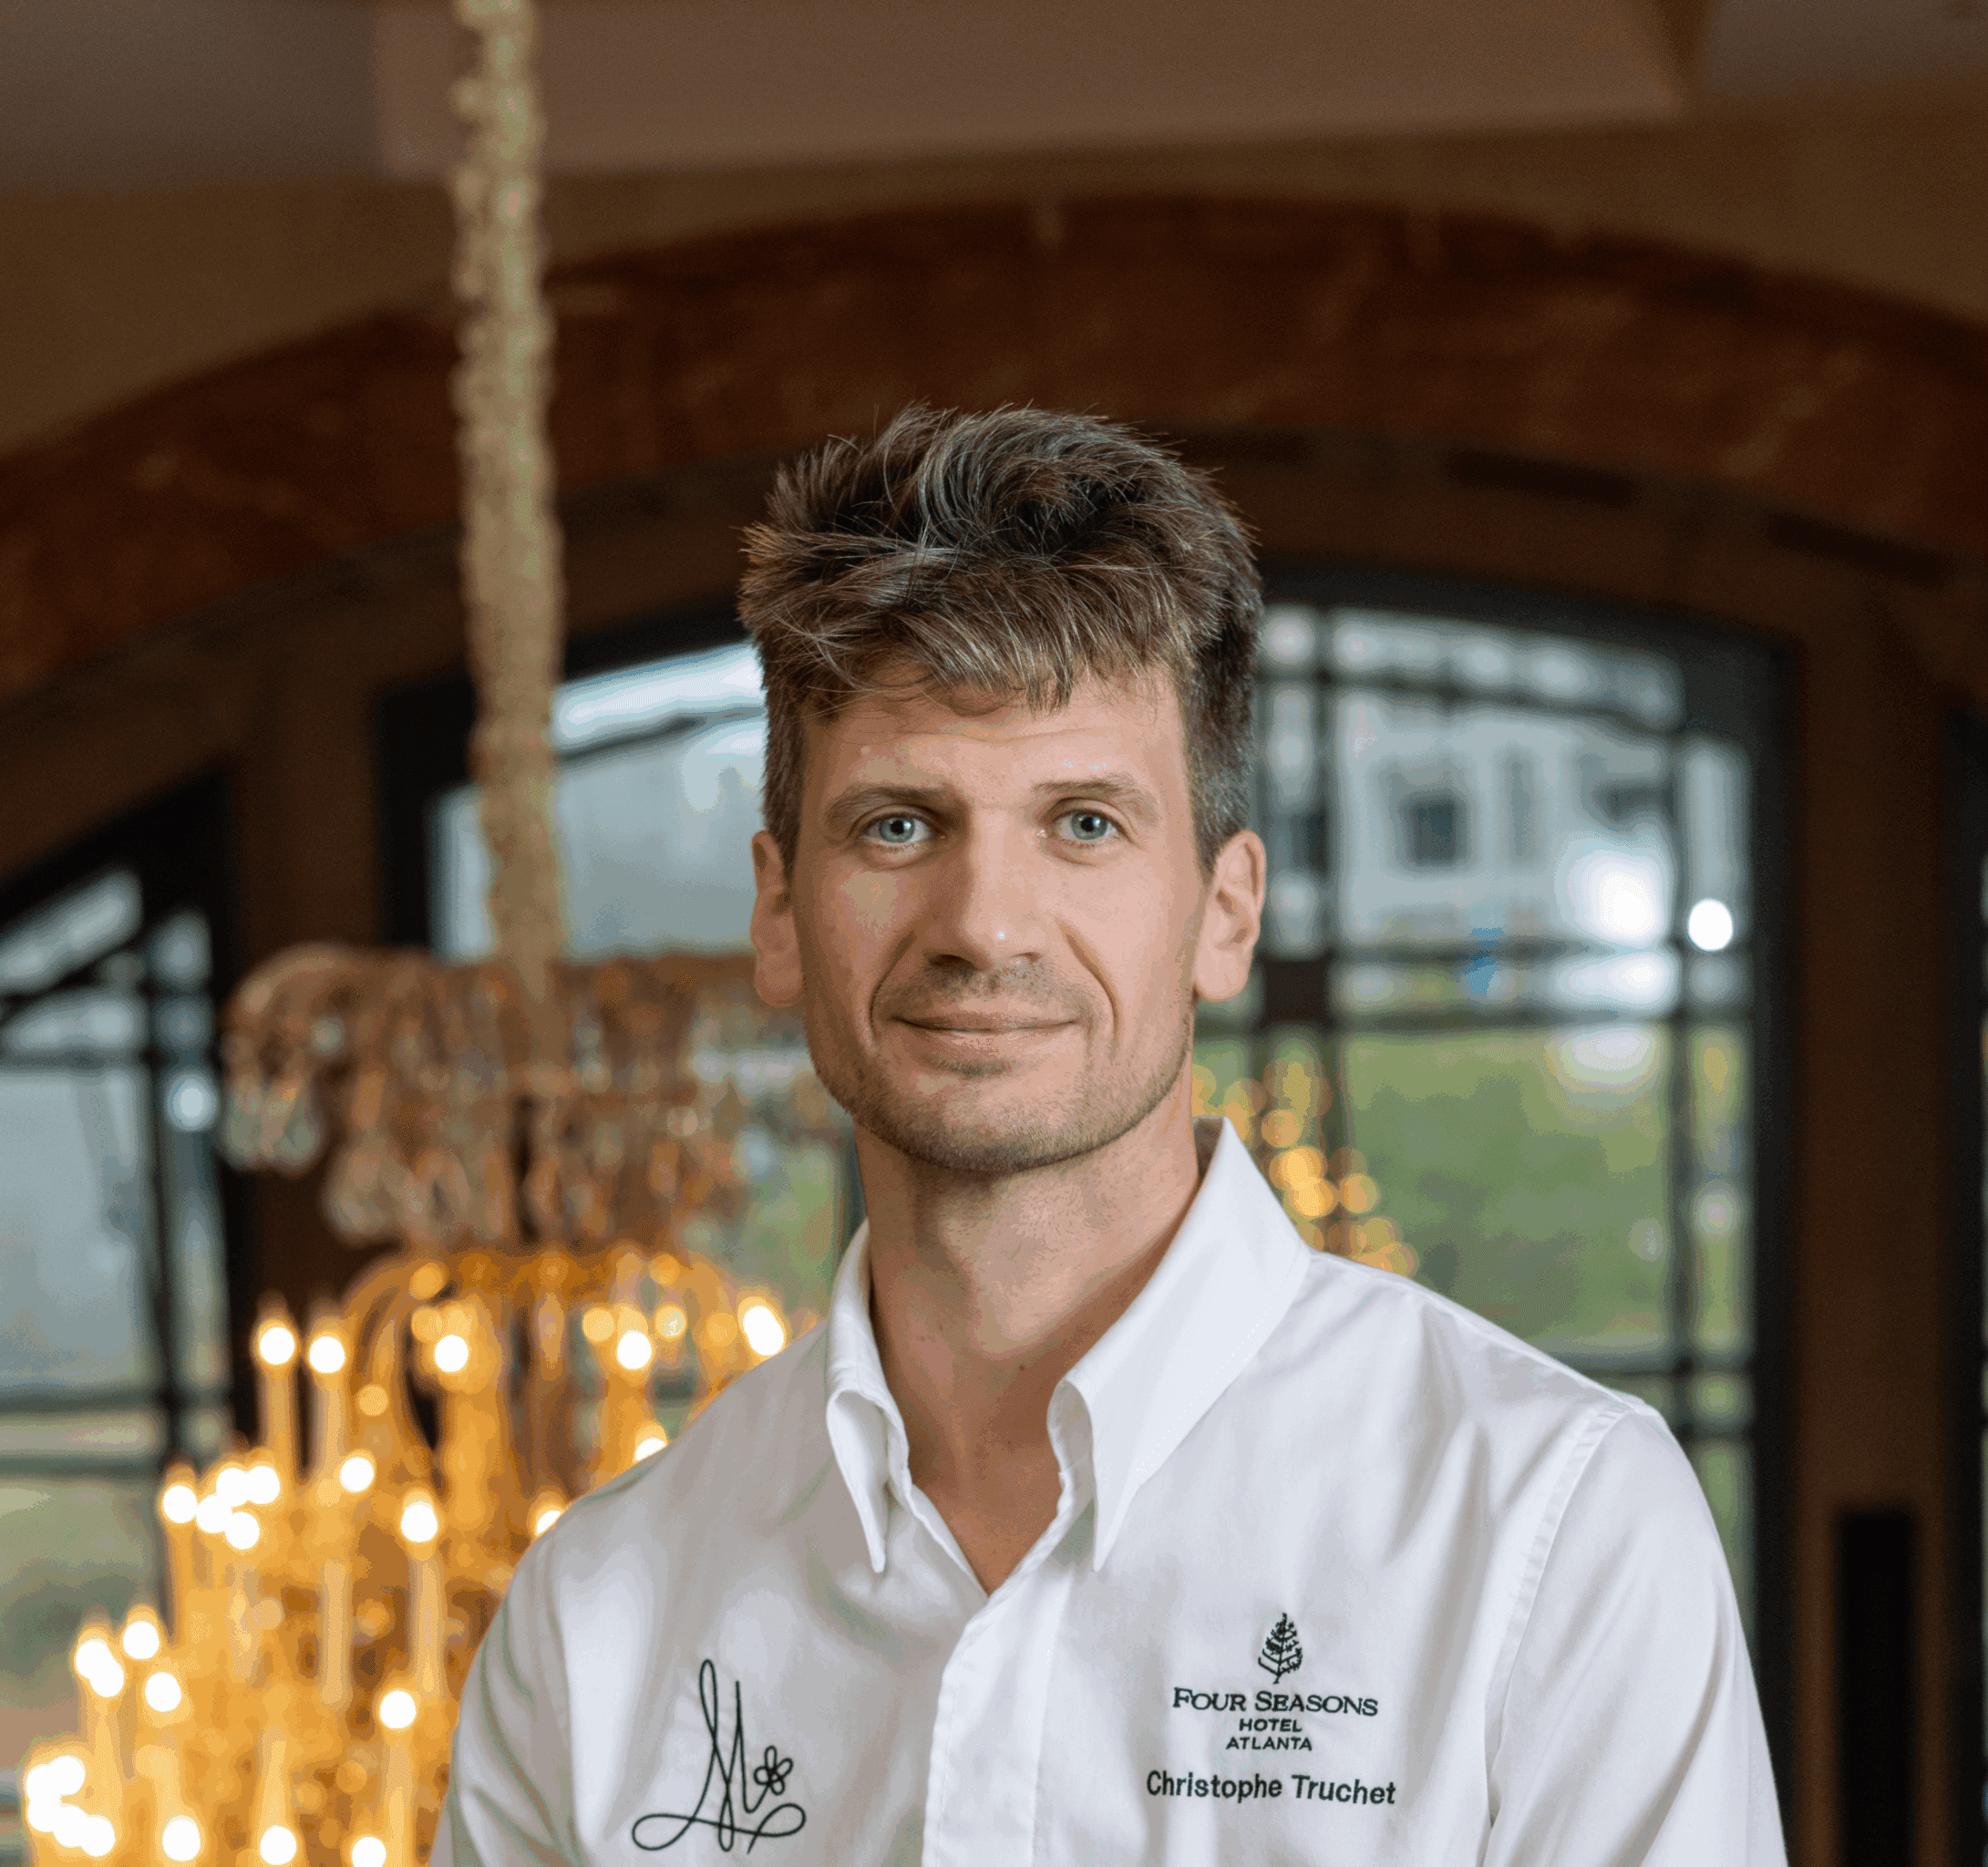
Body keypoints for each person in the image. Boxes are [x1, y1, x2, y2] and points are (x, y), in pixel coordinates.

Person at [432, 407, 1787, 1864]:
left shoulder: (1551, 1525)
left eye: (1083, 824)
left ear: (1225, 912)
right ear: (778, 911)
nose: (984, 927)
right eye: (898, 826)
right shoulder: (598, 1618)